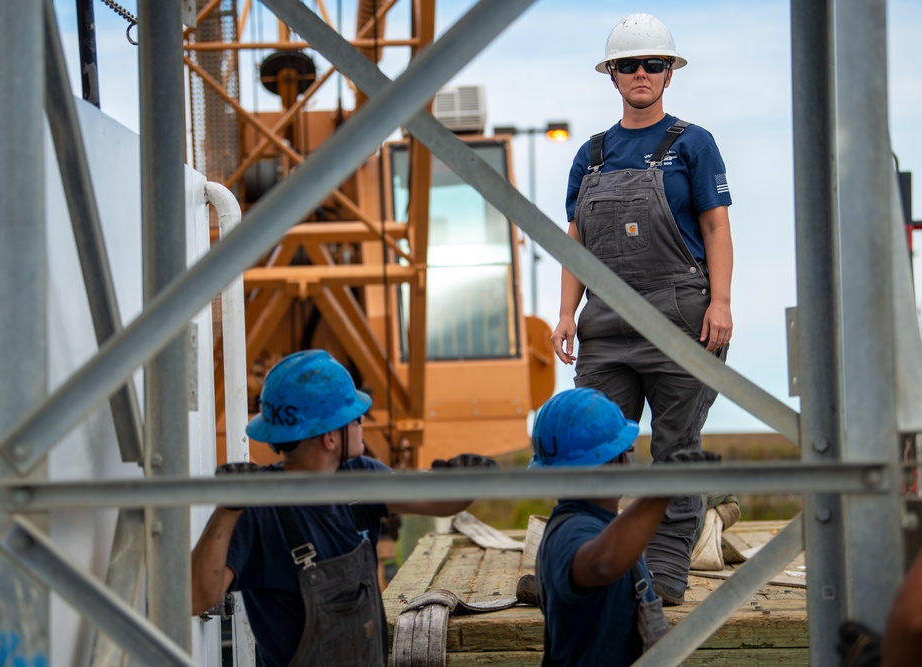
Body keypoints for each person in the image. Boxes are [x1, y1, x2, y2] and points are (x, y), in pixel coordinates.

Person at [550, 12, 734, 605]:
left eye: (653, 64)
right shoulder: (592, 154)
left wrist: (722, 302)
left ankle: (665, 576)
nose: (641, 74)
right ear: (612, 76)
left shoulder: (693, 145)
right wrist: (563, 314)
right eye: (628, 65)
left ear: (669, 74)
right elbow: (574, 243)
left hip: (682, 319)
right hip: (604, 324)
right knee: (590, 448)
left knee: (675, 452)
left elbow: (715, 227)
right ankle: (583, 567)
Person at [191, 349, 490, 667]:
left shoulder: (360, 477)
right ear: (330, 437)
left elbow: (437, 502)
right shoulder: (256, 508)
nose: (362, 423)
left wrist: (468, 480)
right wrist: (227, 510)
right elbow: (198, 597)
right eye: (355, 418)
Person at [532, 388, 720, 666]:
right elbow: (602, 563)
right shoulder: (573, 530)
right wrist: (663, 489)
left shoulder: (592, 524)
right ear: (619, 459)